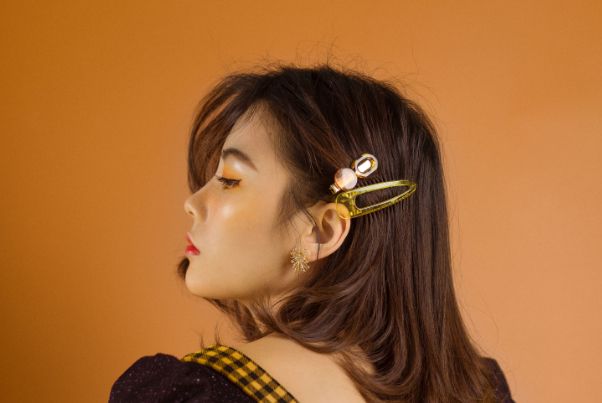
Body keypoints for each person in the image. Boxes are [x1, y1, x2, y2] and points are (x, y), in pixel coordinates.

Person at [109, 63, 514, 402]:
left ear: (322, 231)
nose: (192, 202)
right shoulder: (482, 390)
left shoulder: (192, 395)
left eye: (230, 180)